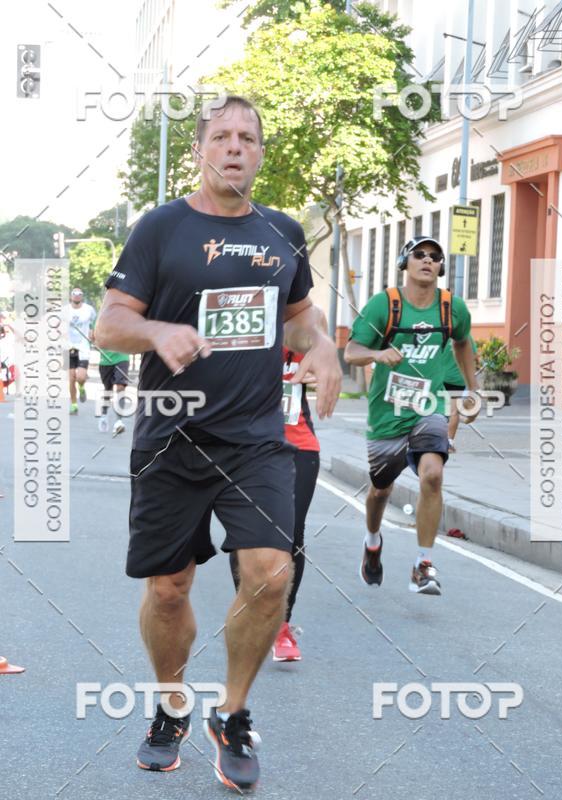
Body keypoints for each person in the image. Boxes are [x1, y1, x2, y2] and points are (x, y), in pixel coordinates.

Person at [94, 95, 341, 790]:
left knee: (270, 573)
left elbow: (297, 317)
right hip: (171, 436)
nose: (236, 147)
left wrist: (319, 344)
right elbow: (108, 325)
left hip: (255, 439)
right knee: (169, 589)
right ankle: (172, 706)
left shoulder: (281, 233)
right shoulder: (161, 229)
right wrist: (155, 332)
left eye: (249, 138)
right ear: (202, 150)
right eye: (223, 137)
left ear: (261, 153)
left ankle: (231, 715)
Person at [344, 235, 479, 595]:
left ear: (440, 267)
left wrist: (471, 389)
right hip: (387, 413)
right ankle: (373, 542)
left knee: (432, 474)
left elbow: (464, 342)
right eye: (419, 254)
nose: (427, 260)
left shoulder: (452, 308)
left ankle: (423, 564)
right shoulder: (384, 305)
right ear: (406, 261)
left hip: (427, 408)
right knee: (380, 490)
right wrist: (377, 355)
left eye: (435, 257)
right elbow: (351, 351)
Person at [229, 344, 321, 662]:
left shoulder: (302, 320)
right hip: (247, 445)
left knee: (292, 535)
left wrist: (319, 362)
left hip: (299, 444)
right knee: (245, 534)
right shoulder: (245, 319)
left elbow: (324, 355)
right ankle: (249, 611)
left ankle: (281, 625)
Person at [442, 334, 477, 453]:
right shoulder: (465, 335)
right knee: (453, 411)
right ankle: (449, 443)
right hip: (457, 378)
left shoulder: (438, 333)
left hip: (438, 376)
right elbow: (474, 355)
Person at [67, 288, 96, 414]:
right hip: (69, 347)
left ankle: (82, 386)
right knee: (71, 378)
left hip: (83, 346)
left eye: (79, 294)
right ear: (71, 296)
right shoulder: (65, 310)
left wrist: (92, 331)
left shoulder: (89, 309)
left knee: (80, 377)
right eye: (74, 294)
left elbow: (95, 322)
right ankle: (74, 405)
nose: (77, 296)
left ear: (82, 297)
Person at [97, 349, 129, 436]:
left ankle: (119, 421)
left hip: (122, 357)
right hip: (106, 359)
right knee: (108, 389)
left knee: (121, 387)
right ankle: (104, 414)